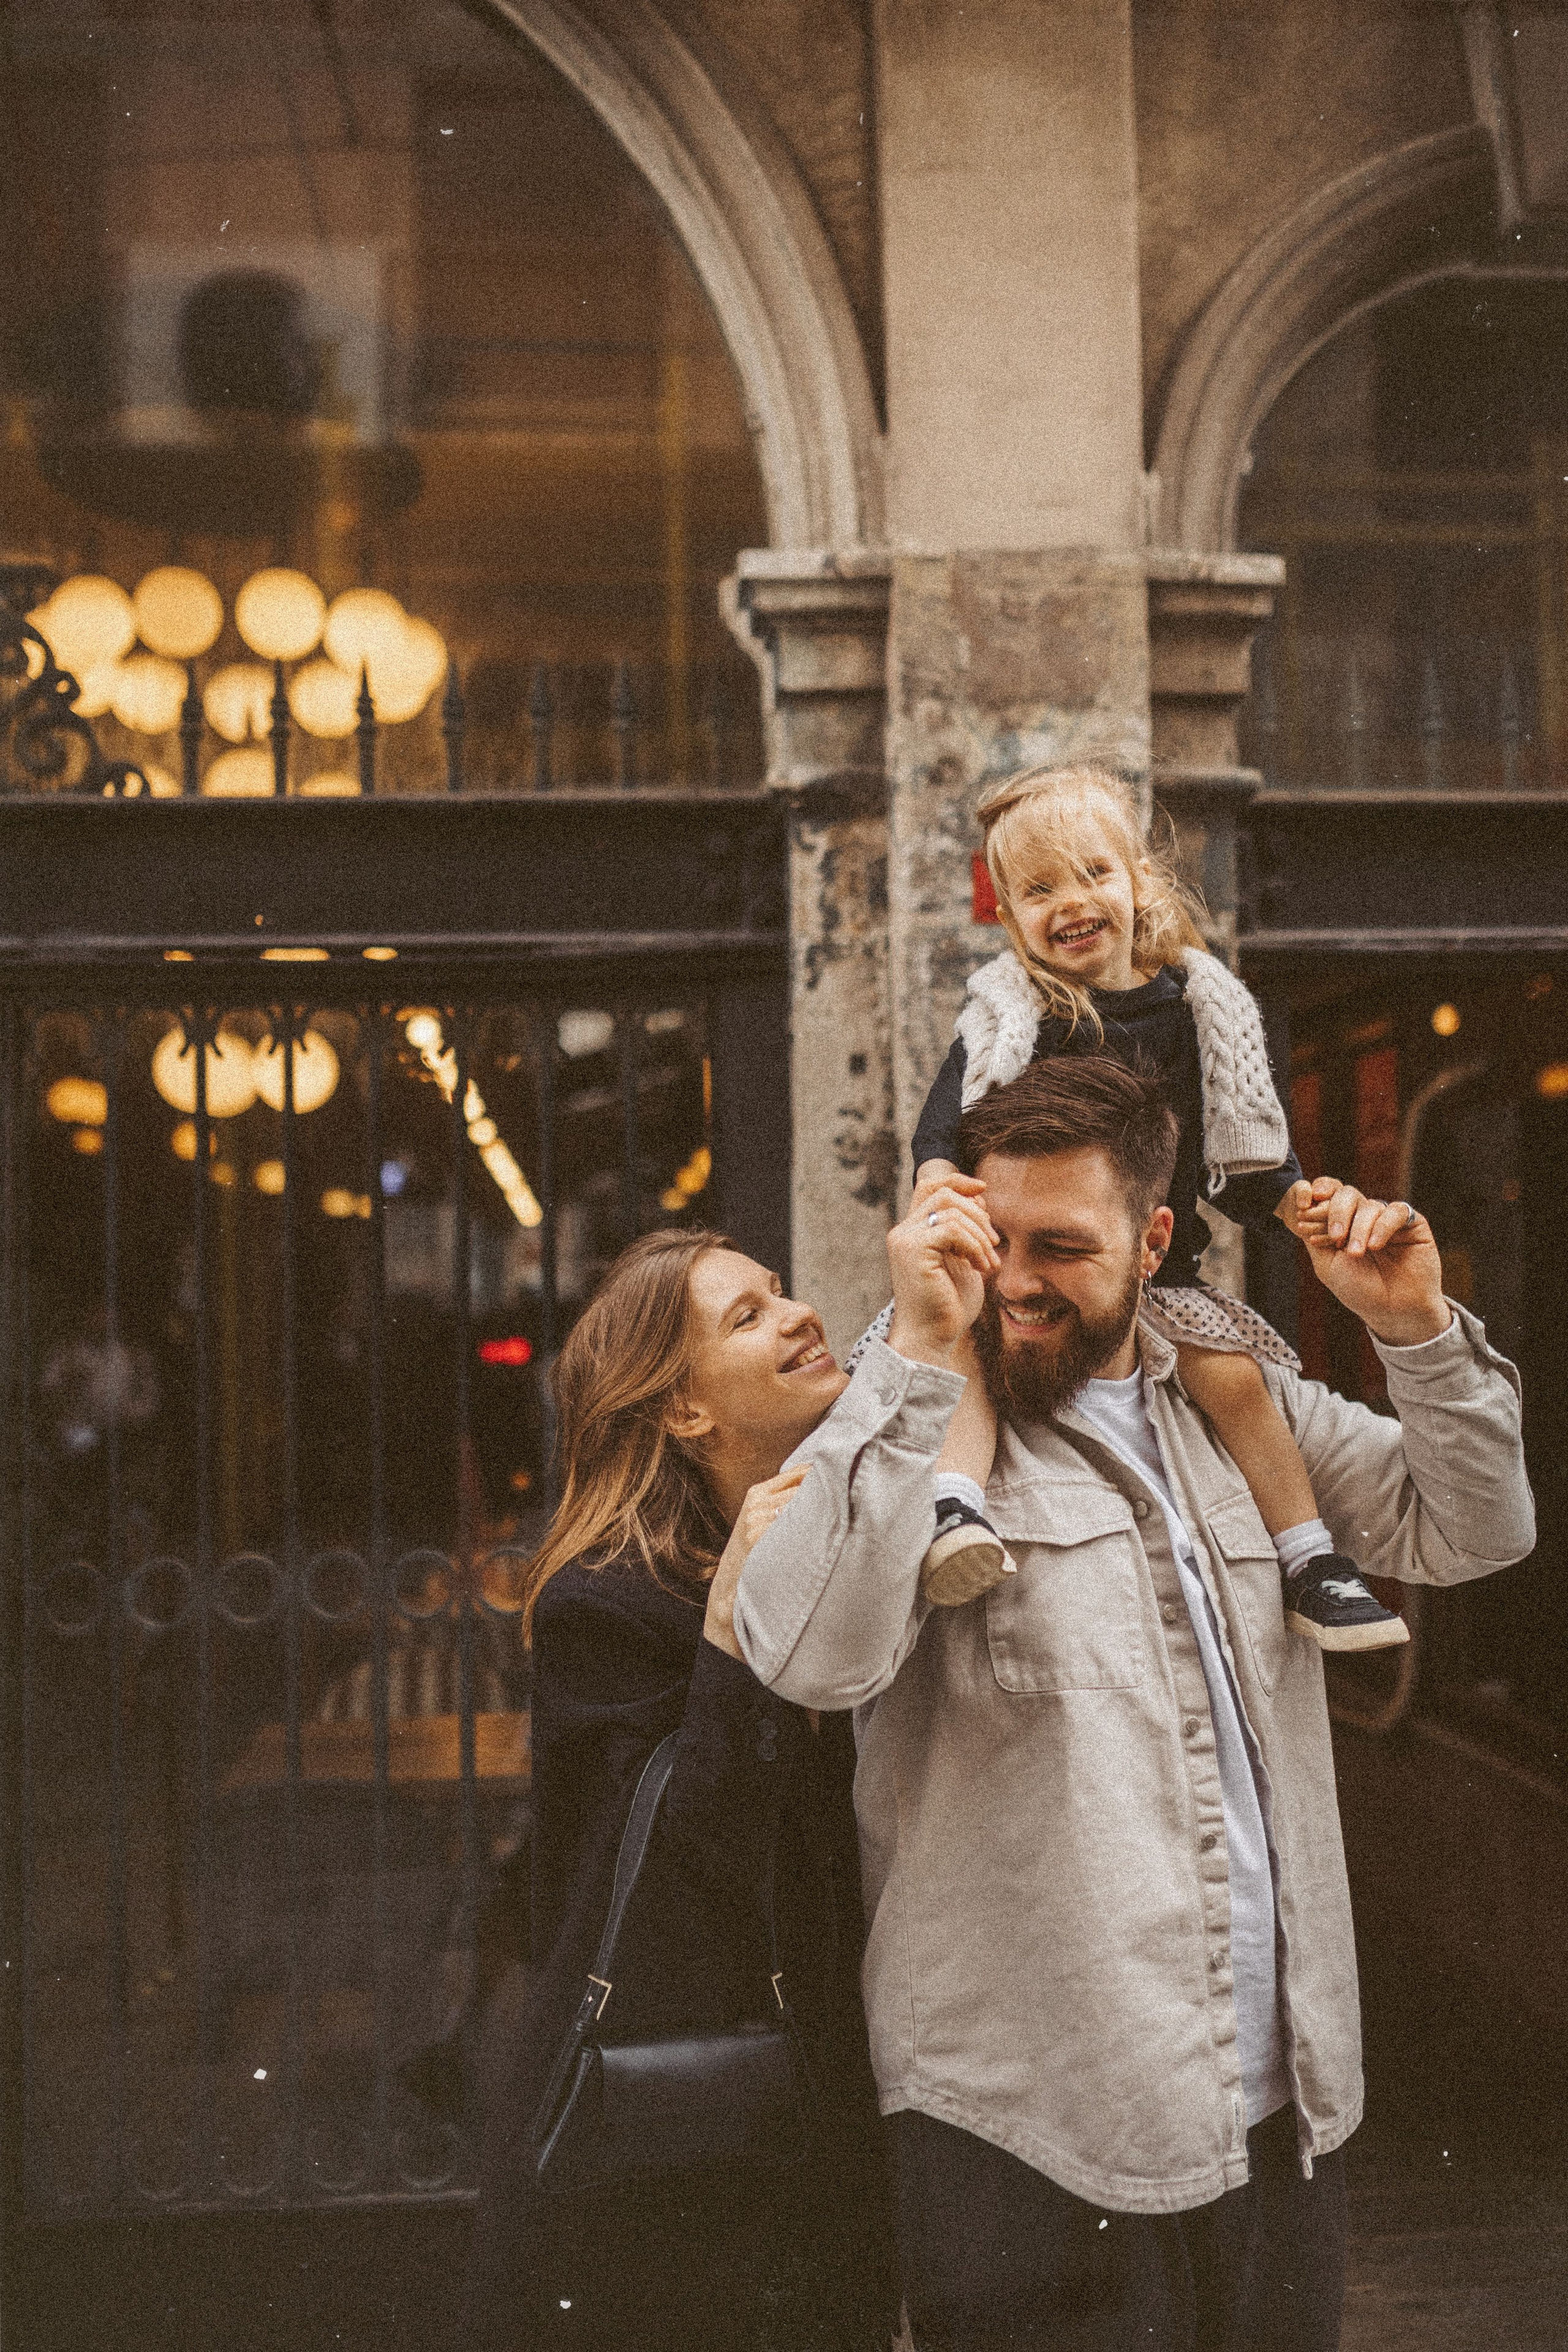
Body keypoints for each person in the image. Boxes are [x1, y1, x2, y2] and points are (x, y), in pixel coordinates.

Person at [731, 1054, 1536, 2352]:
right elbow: (812, 1660)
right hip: (1028, 2127)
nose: (1018, 1280)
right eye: (997, 1241)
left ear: (1154, 1238)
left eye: (1063, 1246)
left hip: (1280, 2100)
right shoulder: (904, 1417)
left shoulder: (1235, 1397)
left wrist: (1413, 1331)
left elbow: (1477, 1530)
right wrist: (921, 1354)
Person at [459, 1229, 896, 2352]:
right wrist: (732, 1626)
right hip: (692, 2119)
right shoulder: (603, 1609)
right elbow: (695, 1858)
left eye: (782, 1291)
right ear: (686, 1413)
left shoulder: (854, 1541)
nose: (800, 1313)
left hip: (838, 2083)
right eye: (746, 1317)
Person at [899, 763, 1405, 1657]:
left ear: (1139, 879)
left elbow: (1236, 1145)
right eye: (1039, 889)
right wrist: (939, 1180)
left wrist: (1293, 1201)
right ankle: (955, 1510)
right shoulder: (1014, 1014)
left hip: (1156, 1267)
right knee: (967, 1361)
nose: (1072, 902)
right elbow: (947, 1123)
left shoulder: (1198, 1005)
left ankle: (1311, 1561)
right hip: (1014, 1254)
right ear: (1011, 918)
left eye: (1094, 873)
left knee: (1237, 1382)